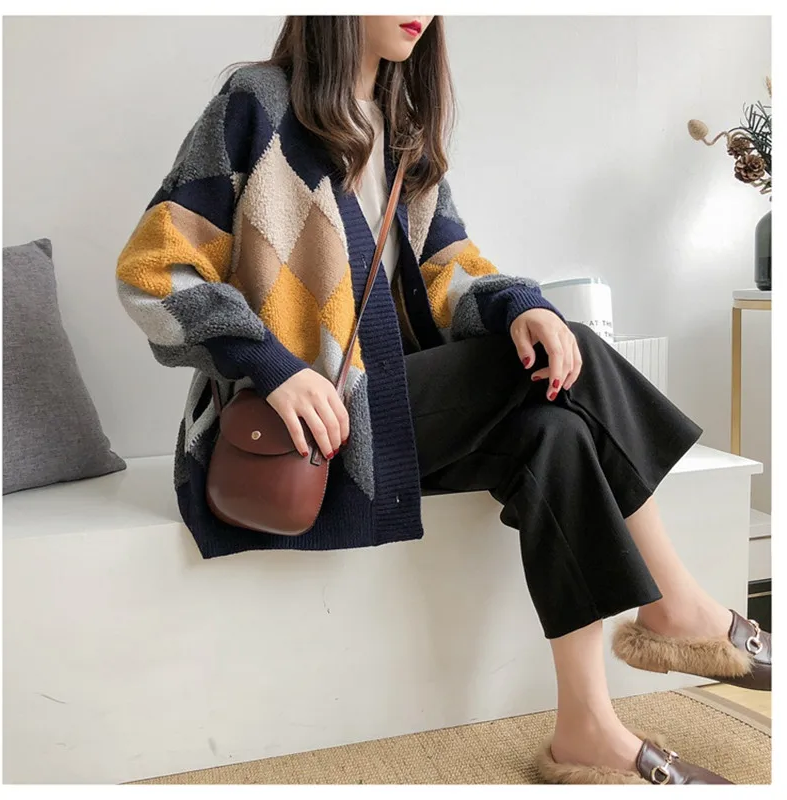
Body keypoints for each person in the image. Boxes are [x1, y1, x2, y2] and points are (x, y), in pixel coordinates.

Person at [116, 15, 770, 785]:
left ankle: (586, 729)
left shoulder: (404, 128)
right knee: (578, 351)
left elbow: (447, 268)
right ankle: (679, 609)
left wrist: (518, 306)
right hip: (310, 435)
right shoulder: (255, 104)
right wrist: (273, 366)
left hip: (400, 418)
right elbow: (154, 273)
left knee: (554, 426)